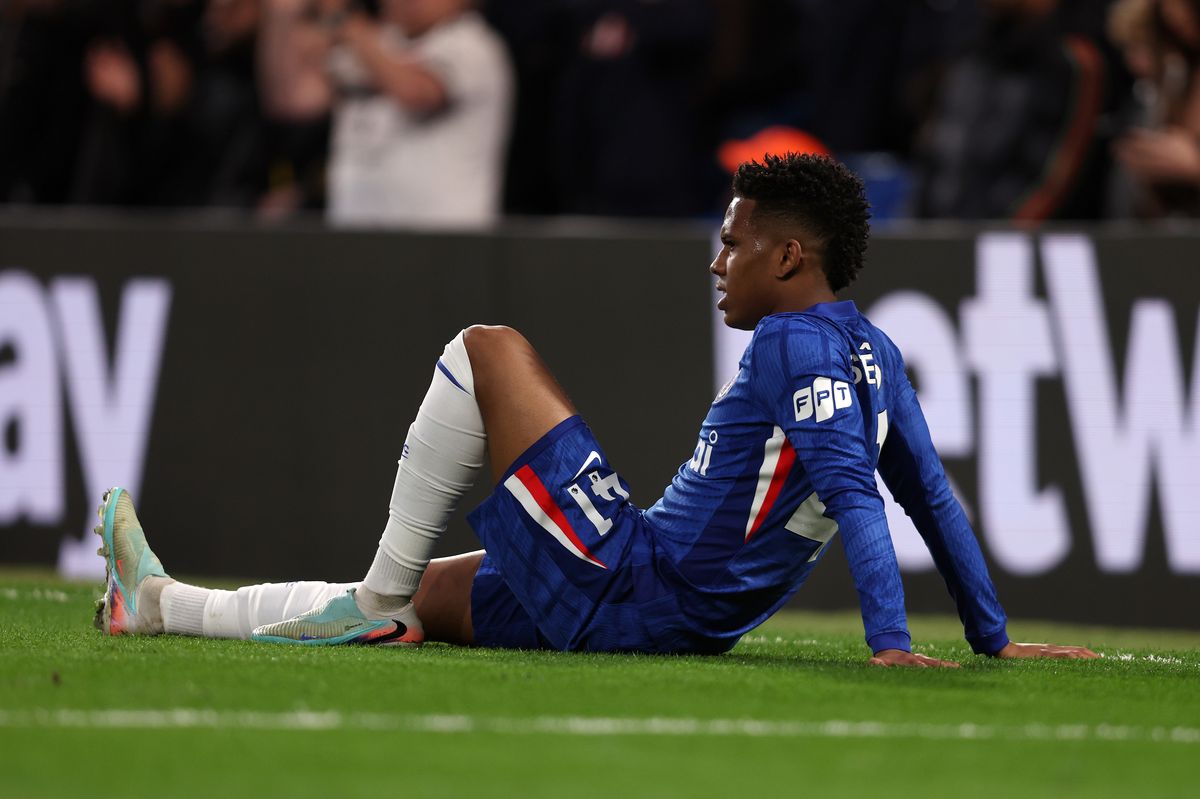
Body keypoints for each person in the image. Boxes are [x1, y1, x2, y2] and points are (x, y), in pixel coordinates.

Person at [94, 154, 1097, 666]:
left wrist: (890, 642)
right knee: (411, 602)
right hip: (656, 603)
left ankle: (367, 602)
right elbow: (933, 500)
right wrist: (993, 637)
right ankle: (162, 606)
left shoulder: (796, 342)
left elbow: (864, 499)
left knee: (487, 350)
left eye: (734, 243)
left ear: (791, 256)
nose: (717, 261)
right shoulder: (876, 350)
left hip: (629, 578)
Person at [258, 0, 512, 228]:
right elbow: (293, 100)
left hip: (441, 252)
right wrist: (281, 15)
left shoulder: (472, 44)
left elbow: (415, 93)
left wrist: (343, 17)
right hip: (360, 250)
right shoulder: (376, 43)